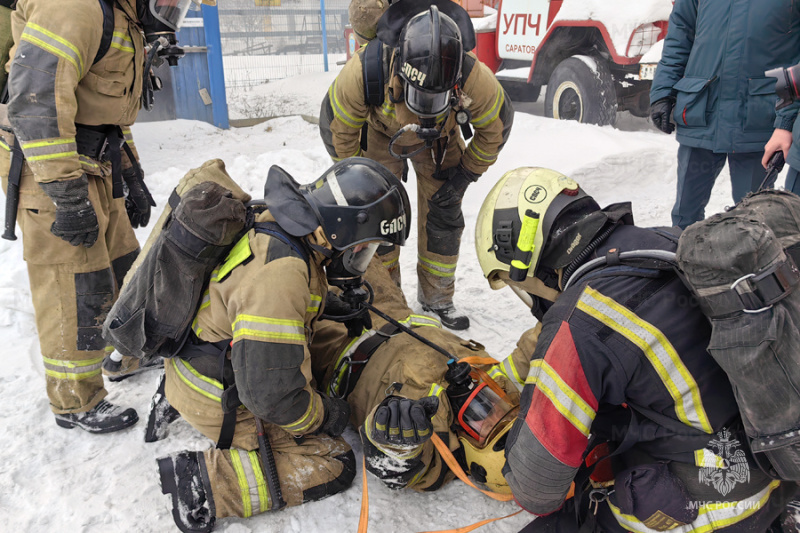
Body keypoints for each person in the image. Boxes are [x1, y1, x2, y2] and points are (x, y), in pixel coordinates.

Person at [474, 167, 799, 531]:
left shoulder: (580, 318)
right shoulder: (668, 242)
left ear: (526, 258)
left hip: (715, 509)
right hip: (775, 468)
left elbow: (537, 489)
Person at [155, 157, 411, 533]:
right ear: (336, 231)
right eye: (362, 249)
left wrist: (331, 306)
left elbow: (249, 302)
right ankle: (204, 482)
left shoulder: (276, 223)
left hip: (199, 358)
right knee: (333, 462)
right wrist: (324, 415)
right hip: (219, 392)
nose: (360, 260)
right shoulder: (283, 273)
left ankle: (173, 394)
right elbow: (270, 396)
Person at [0, 0, 207, 433]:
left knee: (122, 266)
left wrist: (131, 173)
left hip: (94, 160)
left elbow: (108, 106)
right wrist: (67, 196)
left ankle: (123, 355)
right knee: (74, 283)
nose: (170, 9)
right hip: (49, 165)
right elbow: (35, 105)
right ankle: (75, 400)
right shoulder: (75, 7)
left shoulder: (124, 15)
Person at [320, 0, 514, 330]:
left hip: (441, 138)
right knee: (373, 218)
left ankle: (437, 298)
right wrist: (355, 180)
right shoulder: (365, 71)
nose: (423, 109)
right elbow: (337, 128)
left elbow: (496, 129)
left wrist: (464, 177)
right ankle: (387, 300)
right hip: (381, 135)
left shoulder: (472, 78)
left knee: (445, 213)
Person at [309, 254, 521, 496]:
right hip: (390, 308)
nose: (487, 406)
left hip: (340, 341)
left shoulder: (436, 455)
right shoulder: (505, 387)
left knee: (286, 278)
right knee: (355, 244)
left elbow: (398, 467)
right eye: (502, 410)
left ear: (469, 447)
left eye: (483, 424)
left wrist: (397, 443)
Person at [649, 0, 800, 229]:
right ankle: (682, 263)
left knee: (754, 224)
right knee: (684, 218)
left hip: (760, 120)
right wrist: (663, 92)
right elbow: (680, 35)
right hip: (701, 111)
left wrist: (787, 118)